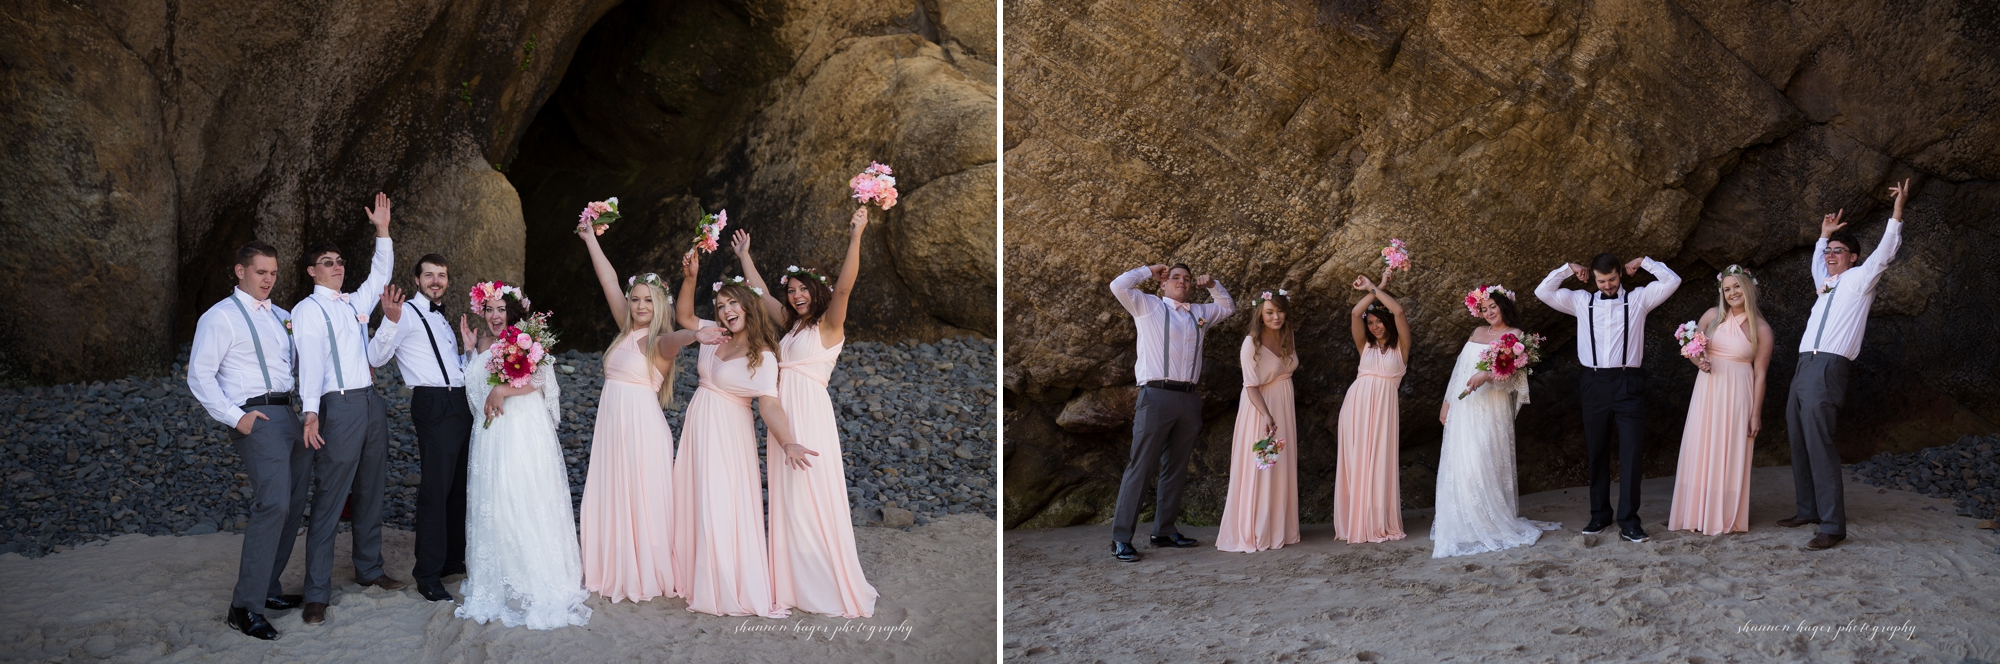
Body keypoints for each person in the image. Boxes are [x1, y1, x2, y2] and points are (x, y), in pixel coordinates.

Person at [731, 209, 880, 617]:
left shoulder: (829, 326)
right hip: (784, 414)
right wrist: (745, 256)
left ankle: (825, 581)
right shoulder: (791, 326)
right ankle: (795, 583)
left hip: (811, 412)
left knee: (812, 490)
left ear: (817, 292)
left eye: (803, 289)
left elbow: (845, 288)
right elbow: (759, 293)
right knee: (789, 496)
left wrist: (856, 235)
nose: (797, 295)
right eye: (792, 290)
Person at [571, 218, 723, 602]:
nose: (640, 305)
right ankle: (614, 564)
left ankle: (644, 570)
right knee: (614, 494)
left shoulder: (658, 342)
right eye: (635, 299)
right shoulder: (626, 330)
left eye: (648, 300)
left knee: (642, 500)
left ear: (660, 305)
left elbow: (678, 338)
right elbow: (608, 280)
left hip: (641, 430)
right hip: (613, 429)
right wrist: (589, 239)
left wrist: (696, 334)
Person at [291, 192, 409, 626]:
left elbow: (380, 274)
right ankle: (316, 593)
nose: (337, 266)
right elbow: (309, 364)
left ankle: (370, 569)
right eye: (327, 262)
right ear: (312, 271)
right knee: (330, 496)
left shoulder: (354, 303)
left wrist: (383, 231)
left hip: (370, 402)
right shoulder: (307, 310)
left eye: (339, 261)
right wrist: (311, 412)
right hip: (337, 405)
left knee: (371, 488)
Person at [673, 262, 814, 617]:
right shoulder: (714, 333)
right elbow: (684, 317)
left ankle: (724, 582)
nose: (726, 311)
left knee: (720, 501)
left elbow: (769, 404)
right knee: (697, 497)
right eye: (720, 305)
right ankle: (697, 573)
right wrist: (690, 278)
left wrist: (788, 441)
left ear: (748, 306)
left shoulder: (762, 355)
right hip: (699, 430)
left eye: (732, 303)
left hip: (727, 435)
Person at [188, 241, 309, 640]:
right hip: (255, 416)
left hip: (288, 413)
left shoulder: (282, 316)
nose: (268, 279)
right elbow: (199, 375)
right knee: (273, 504)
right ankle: (244, 607)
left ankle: (268, 587)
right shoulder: (219, 317)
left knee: (292, 505)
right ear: (240, 271)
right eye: (260, 272)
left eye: (273, 272)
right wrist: (235, 416)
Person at [453, 283, 593, 629]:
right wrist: (470, 352)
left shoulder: (525, 338)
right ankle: (501, 575)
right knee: (496, 499)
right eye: (489, 309)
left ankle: (531, 576)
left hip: (521, 427)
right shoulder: (483, 343)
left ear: (512, 311)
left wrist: (502, 389)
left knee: (521, 492)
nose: (495, 316)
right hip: (492, 431)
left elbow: (540, 377)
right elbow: (474, 386)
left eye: (501, 309)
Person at [1782, 179, 1910, 551]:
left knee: (1820, 443)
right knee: (1798, 438)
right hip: (1803, 365)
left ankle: (1833, 526)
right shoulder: (1827, 284)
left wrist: (1897, 212)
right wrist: (1823, 237)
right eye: (1829, 252)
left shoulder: (1859, 280)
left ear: (1853, 257)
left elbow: (1885, 253)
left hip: (1827, 368)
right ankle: (1808, 509)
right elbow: (1817, 265)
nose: (1831, 255)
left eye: (1838, 251)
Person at [1532, 252, 1681, 543]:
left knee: (1632, 451)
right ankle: (1599, 514)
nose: (1607, 285)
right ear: (1594, 279)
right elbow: (1543, 291)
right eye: (1602, 281)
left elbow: (1672, 281)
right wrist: (1568, 268)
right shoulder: (1581, 301)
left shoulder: (1639, 299)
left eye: (1611, 279)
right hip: (1594, 382)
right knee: (1597, 449)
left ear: (1619, 274)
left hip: (1628, 381)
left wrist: (1644, 262)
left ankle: (1630, 521)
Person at [1106, 263, 1234, 562]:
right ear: (1163, 285)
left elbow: (1228, 307)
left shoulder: (1199, 312)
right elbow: (1118, 285)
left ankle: (1163, 531)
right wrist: (1148, 270)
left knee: (1176, 467)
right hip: (1155, 395)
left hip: (1188, 398)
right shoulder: (1147, 305)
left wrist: (1212, 284)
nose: (1182, 281)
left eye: (1187, 278)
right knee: (1141, 466)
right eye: (1175, 277)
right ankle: (1121, 539)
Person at [1431, 285, 1559, 558]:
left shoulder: (1516, 336)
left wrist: (1487, 376)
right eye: (1484, 309)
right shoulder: (1477, 332)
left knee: (1482, 458)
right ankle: (1465, 521)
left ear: (1503, 306)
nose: (1489, 312)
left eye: (1493, 307)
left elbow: (1512, 378)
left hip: (1491, 406)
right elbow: (1459, 370)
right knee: (1462, 460)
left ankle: (1489, 520)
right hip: (1464, 406)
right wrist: (1447, 402)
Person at [389, 253, 473, 602]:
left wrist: (469, 353)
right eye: (429, 275)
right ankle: (427, 574)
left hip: (458, 401)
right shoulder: (405, 313)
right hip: (433, 403)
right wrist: (390, 321)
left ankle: (451, 560)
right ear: (417, 280)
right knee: (435, 490)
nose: (436, 281)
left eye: (441, 275)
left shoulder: (440, 318)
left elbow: (450, 368)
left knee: (457, 486)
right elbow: (377, 356)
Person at [1668, 266, 1774, 536]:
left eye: (1737, 286)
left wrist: (1755, 414)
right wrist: (1698, 362)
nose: (1732, 293)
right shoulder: (1712, 316)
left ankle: (1722, 515)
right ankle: (1695, 513)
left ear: (1748, 287)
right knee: (1701, 445)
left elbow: (1761, 375)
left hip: (1738, 393)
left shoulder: (1761, 329)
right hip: (1708, 389)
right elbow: (1691, 347)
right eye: (1727, 289)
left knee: (1729, 449)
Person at [1214, 289, 1299, 552]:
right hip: (1260, 409)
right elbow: (1250, 386)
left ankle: (1278, 528)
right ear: (1260, 315)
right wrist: (1266, 414)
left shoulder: (1287, 336)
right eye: (1269, 312)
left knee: (1280, 464)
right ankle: (1256, 529)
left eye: (1280, 311)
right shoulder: (1251, 343)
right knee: (1261, 466)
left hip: (1284, 406)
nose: (1276, 317)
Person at [1335, 269, 1410, 543]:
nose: (1375, 326)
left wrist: (1375, 288)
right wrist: (1374, 287)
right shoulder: (1364, 346)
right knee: (1357, 463)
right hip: (1355, 407)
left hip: (1383, 412)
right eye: (1372, 323)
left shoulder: (1401, 348)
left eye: (1379, 321)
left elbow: (1399, 311)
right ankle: (1356, 521)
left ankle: (1376, 521)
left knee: (1379, 463)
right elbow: (1356, 313)